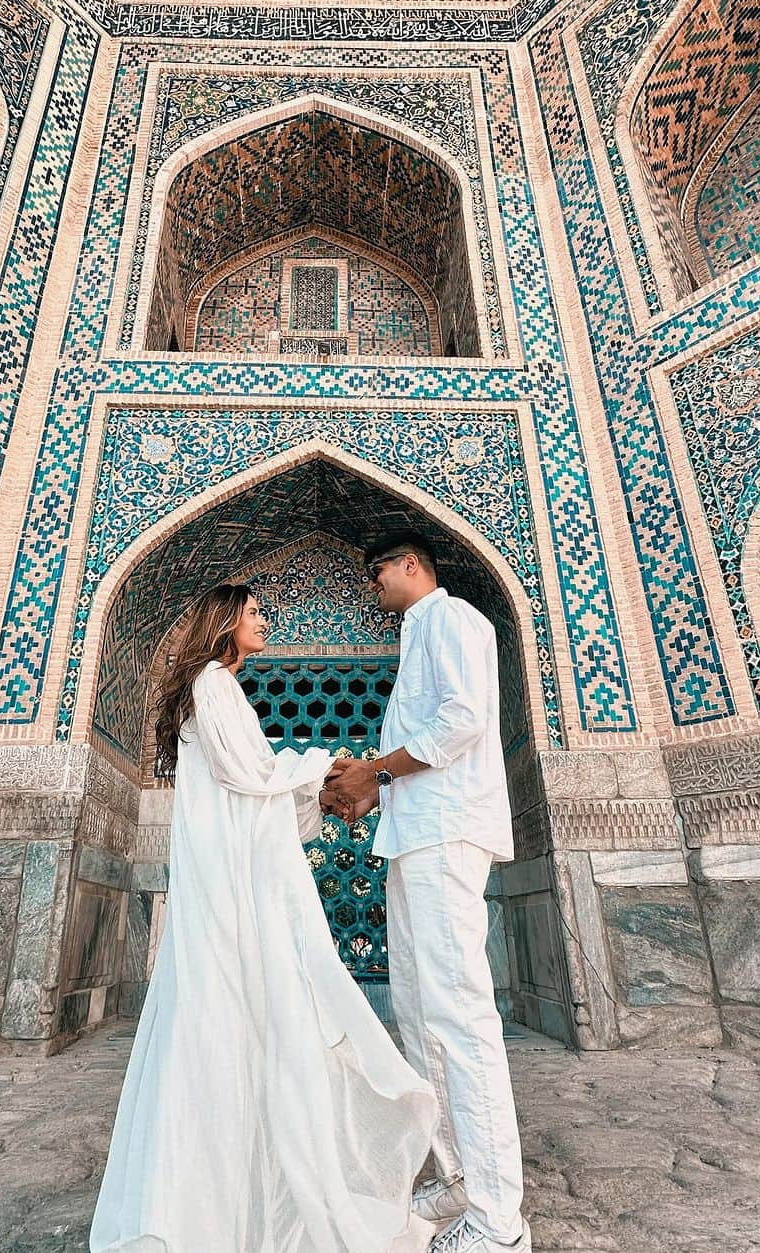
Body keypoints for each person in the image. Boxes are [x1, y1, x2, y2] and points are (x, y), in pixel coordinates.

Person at [90, 584, 437, 1253]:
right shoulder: (212, 683)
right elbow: (251, 775)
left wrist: (316, 790)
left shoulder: (217, 687)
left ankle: (229, 1194)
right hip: (230, 888)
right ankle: (219, 1204)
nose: (264, 621)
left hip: (228, 878)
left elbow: (251, 786)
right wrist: (329, 769)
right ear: (224, 621)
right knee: (236, 1014)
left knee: (232, 1020)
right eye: (253, 613)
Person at [325, 533, 530, 1253]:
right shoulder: (418, 636)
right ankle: (461, 1177)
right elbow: (418, 757)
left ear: (412, 565)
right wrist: (368, 791)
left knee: (459, 1017)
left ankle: (499, 1220)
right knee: (418, 1013)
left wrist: (375, 773)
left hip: (447, 837)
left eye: (376, 569)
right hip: (416, 837)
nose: (371, 583)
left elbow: (462, 720)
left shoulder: (451, 619)